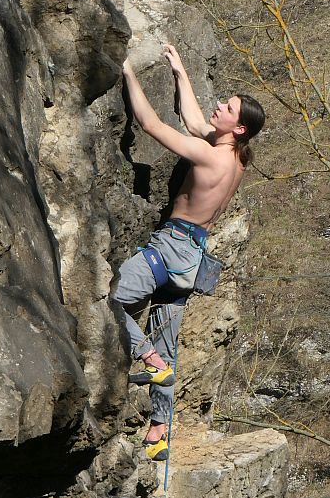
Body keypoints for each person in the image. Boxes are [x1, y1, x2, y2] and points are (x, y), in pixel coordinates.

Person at [113, 44, 266, 461]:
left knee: (111, 299)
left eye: (228, 107)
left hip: (171, 248)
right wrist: (180, 71)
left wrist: (127, 70)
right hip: (193, 259)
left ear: (238, 129)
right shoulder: (235, 160)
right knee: (168, 341)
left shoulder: (209, 156)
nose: (220, 106)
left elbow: (149, 123)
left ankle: (146, 357)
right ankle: (160, 430)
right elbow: (196, 120)